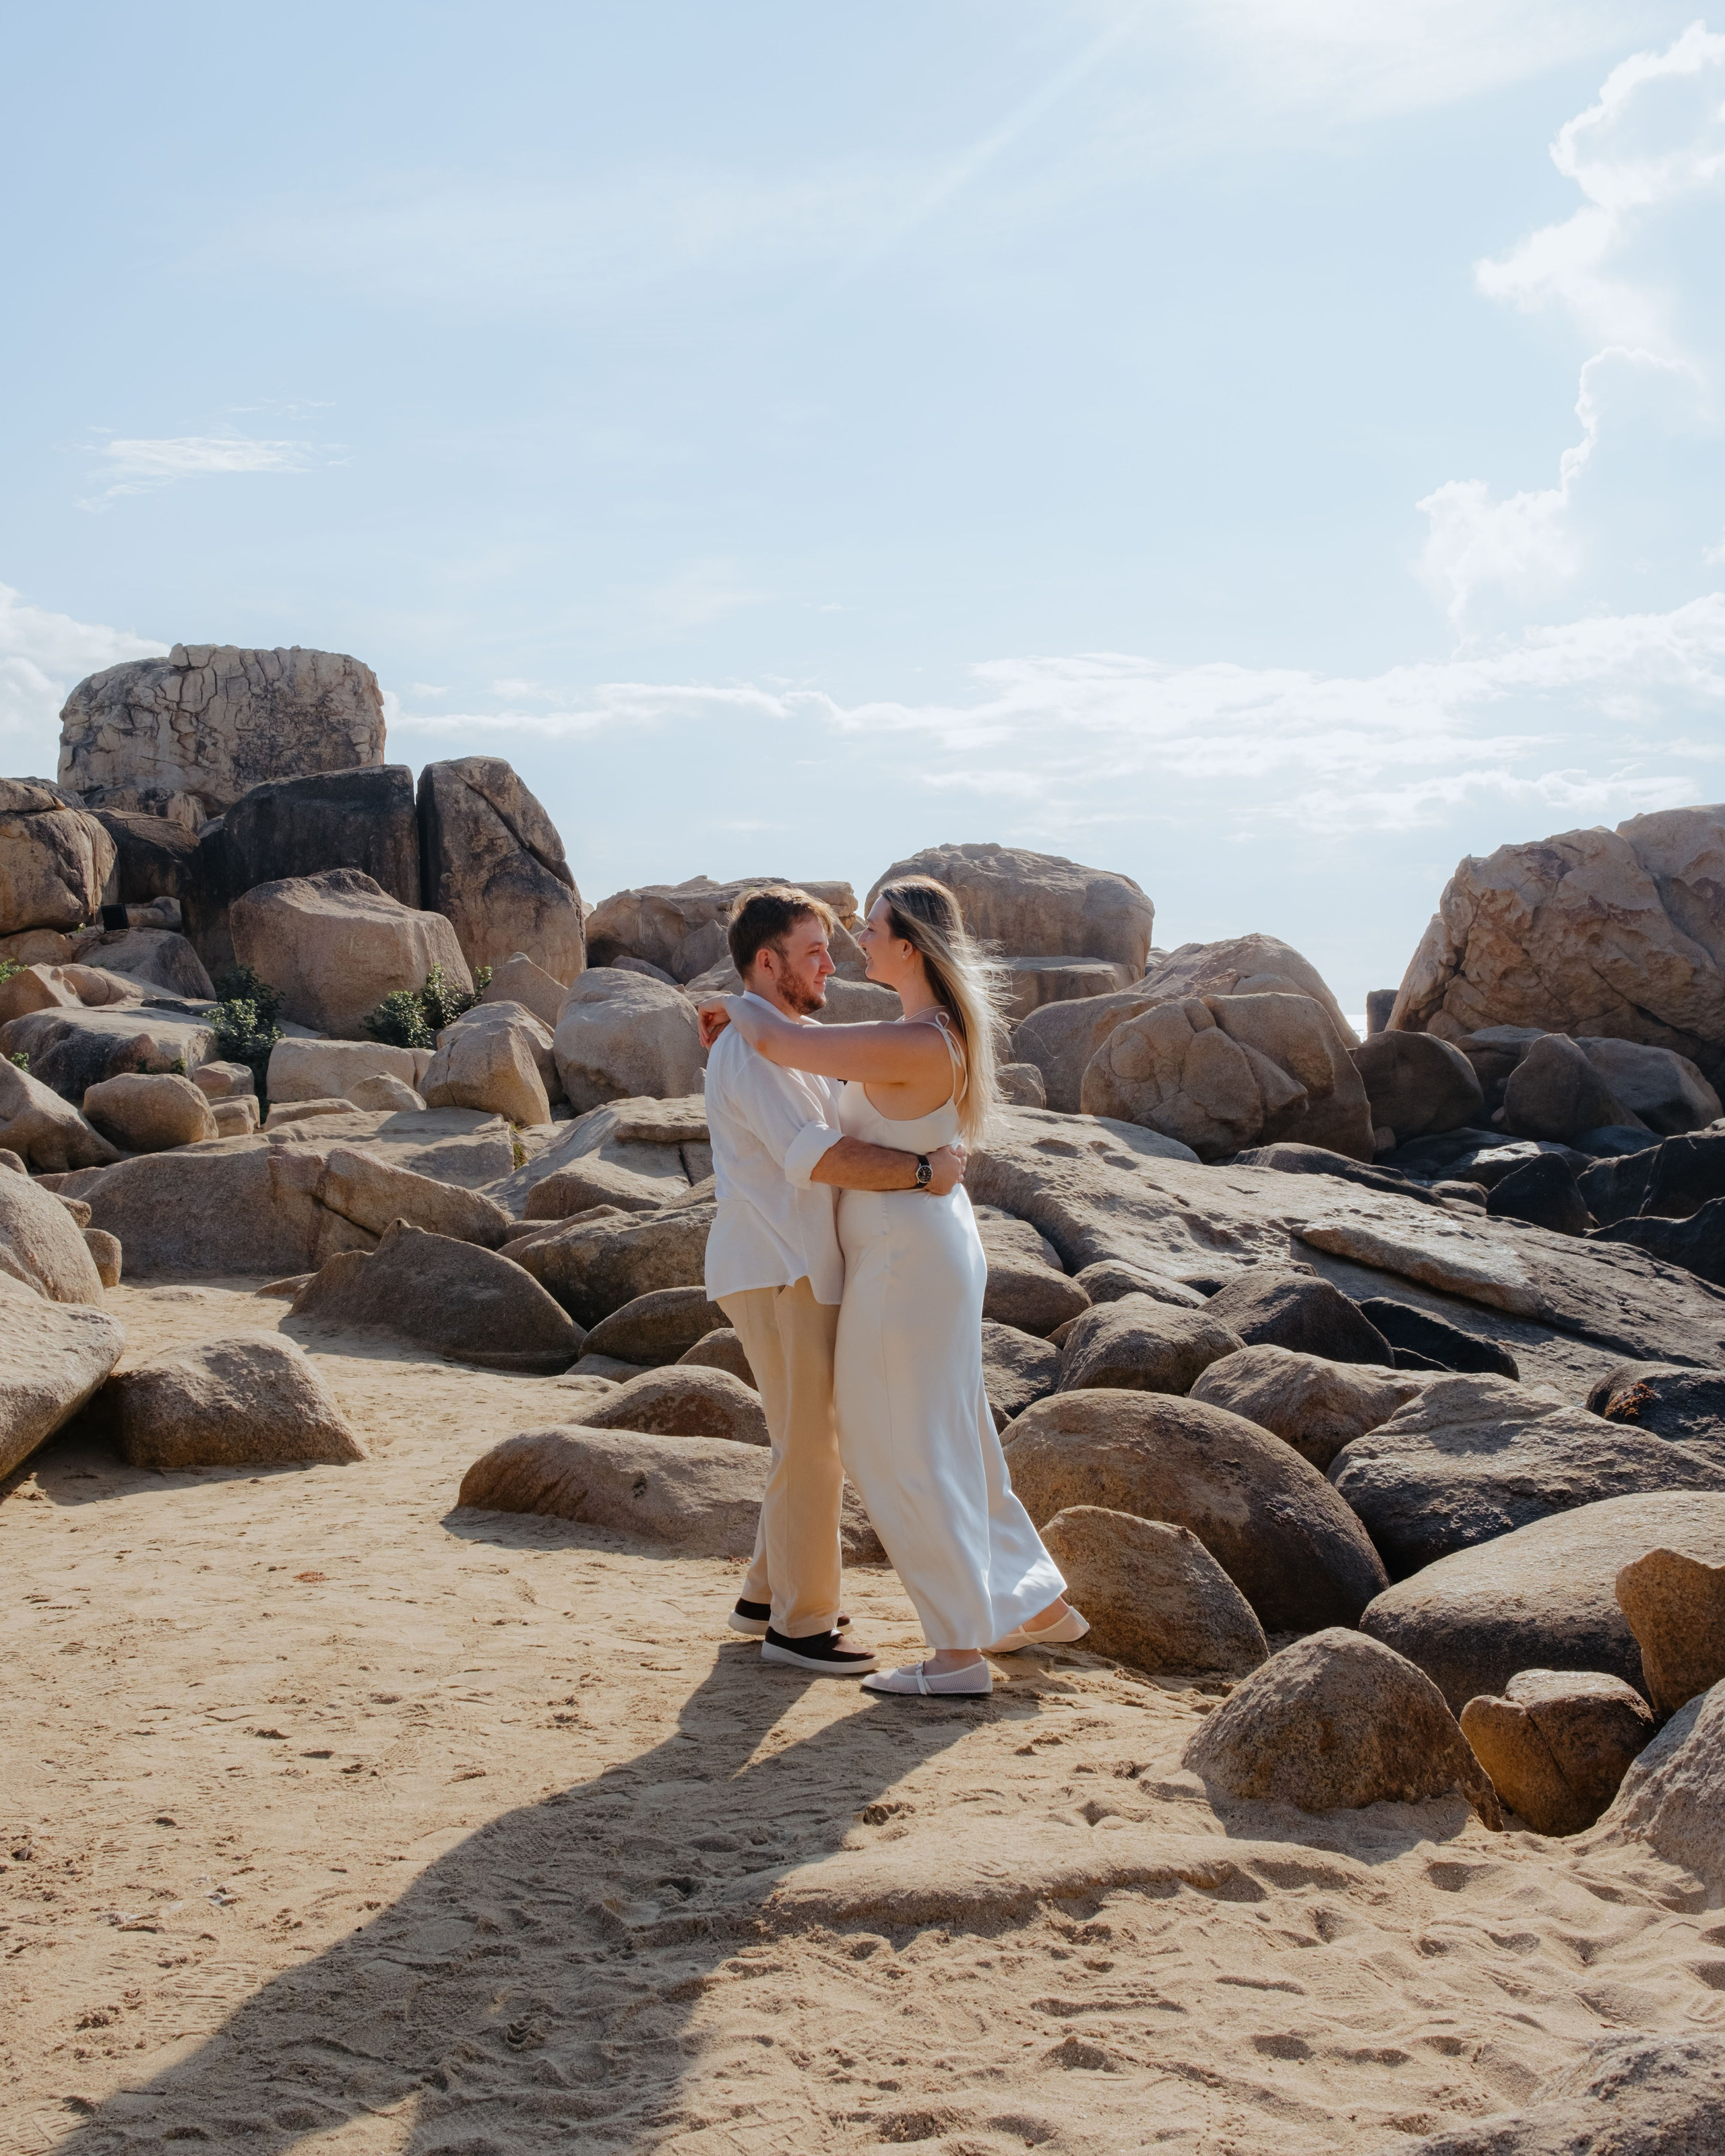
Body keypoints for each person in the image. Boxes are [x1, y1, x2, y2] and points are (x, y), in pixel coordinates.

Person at [699, 876, 1086, 1698]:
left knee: (890, 1446)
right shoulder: (909, 1031)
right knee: (935, 1433)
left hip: (899, 1257)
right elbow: (799, 1101)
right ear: (771, 963)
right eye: (822, 946)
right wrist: (739, 1011)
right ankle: (1018, 1603)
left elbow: (787, 1050)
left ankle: (953, 1649)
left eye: (867, 929)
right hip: (870, 1254)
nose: (848, 948)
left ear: (908, 946)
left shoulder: (907, 1038)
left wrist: (737, 1008)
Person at [702, 885, 968, 1679]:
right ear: (766, 961)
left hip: (801, 1262)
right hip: (781, 1263)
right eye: (813, 950)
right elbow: (810, 1153)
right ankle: (801, 1626)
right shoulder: (753, 1048)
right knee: (811, 1443)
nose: (831, 961)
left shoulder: (790, 1039)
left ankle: (763, 1597)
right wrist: (922, 1172)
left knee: (804, 1434)